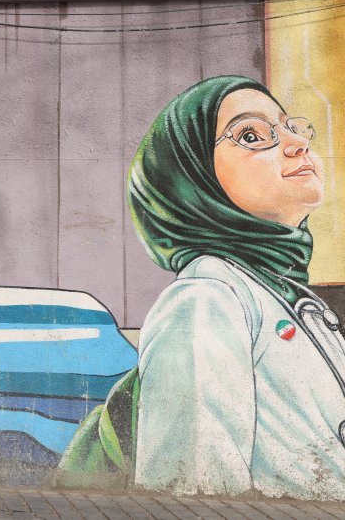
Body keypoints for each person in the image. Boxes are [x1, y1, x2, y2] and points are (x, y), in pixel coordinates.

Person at [129, 74, 345, 499]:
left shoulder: (280, 289)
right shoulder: (207, 299)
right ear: (191, 180)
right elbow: (191, 489)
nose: (297, 143)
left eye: (289, 126)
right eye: (251, 134)